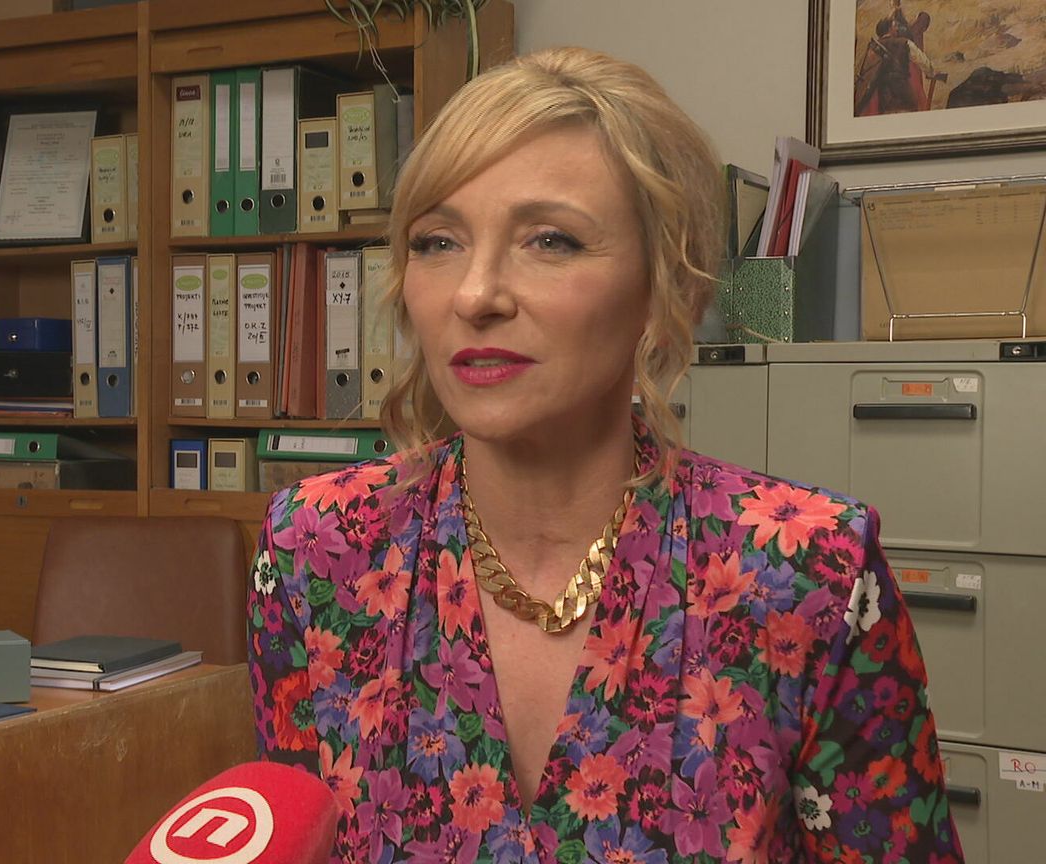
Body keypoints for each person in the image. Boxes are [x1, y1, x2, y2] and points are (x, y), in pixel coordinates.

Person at [246, 46, 963, 863]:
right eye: (437, 242)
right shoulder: (315, 546)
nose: (475, 294)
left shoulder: (812, 572)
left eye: (549, 240)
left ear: (667, 287)